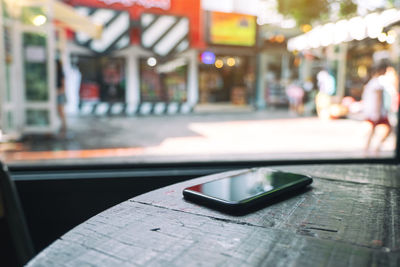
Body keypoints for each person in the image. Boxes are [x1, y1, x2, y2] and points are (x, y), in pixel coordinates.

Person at [362, 62, 391, 155]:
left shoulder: (372, 81)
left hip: (371, 111)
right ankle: (375, 148)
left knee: (371, 130)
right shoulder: (378, 82)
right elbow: (378, 99)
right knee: (386, 129)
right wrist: (378, 112)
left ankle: (368, 150)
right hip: (376, 112)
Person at [56, 59, 67, 137]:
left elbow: (63, 87)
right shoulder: (54, 74)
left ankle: (64, 126)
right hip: (57, 94)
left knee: (61, 111)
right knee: (58, 111)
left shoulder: (61, 74)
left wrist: (57, 92)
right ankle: (61, 125)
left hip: (60, 94)